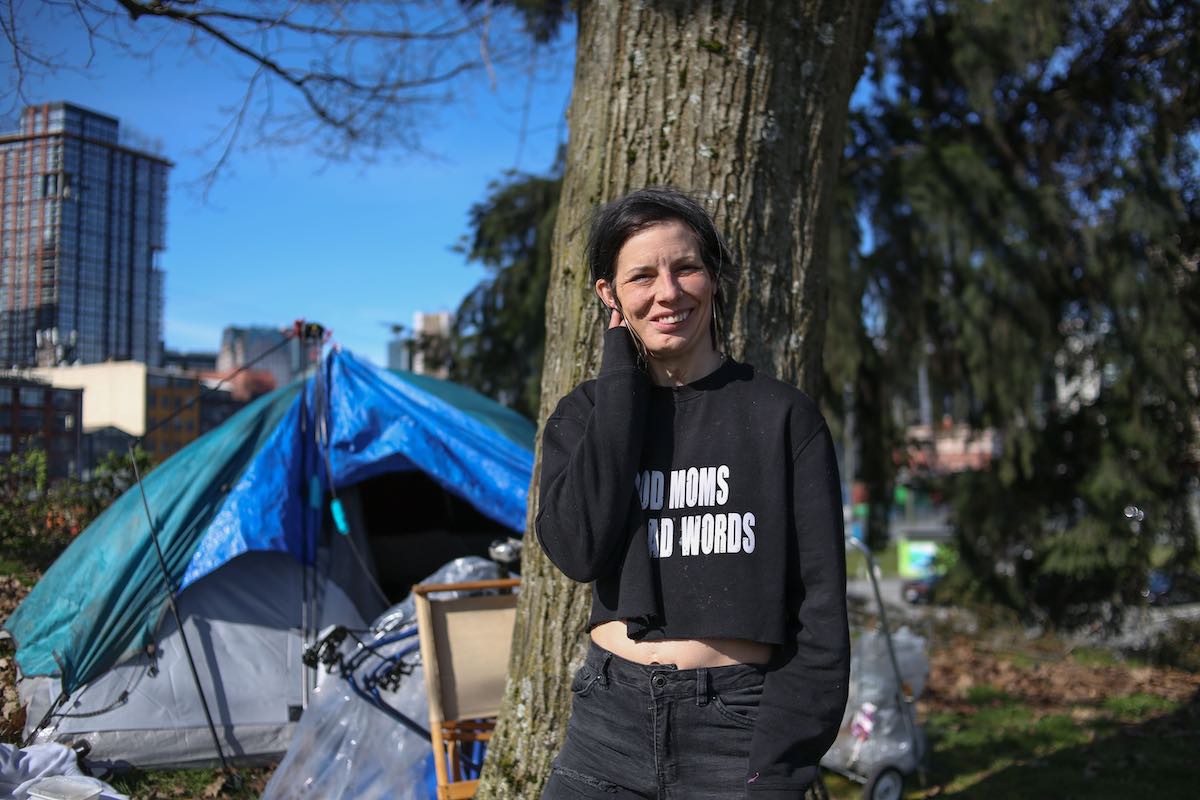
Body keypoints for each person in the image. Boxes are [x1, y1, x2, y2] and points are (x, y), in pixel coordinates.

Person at [535, 187, 850, 799]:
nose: (668, 292)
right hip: (606, 725)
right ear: (611, 295)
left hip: (736, 730)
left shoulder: (782, 417)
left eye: (686, 268)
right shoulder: (584, 416)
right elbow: (577, 551)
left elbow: (820, 610)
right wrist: (621, 380)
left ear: (712, 277)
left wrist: (781, 766)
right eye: (642, 277)